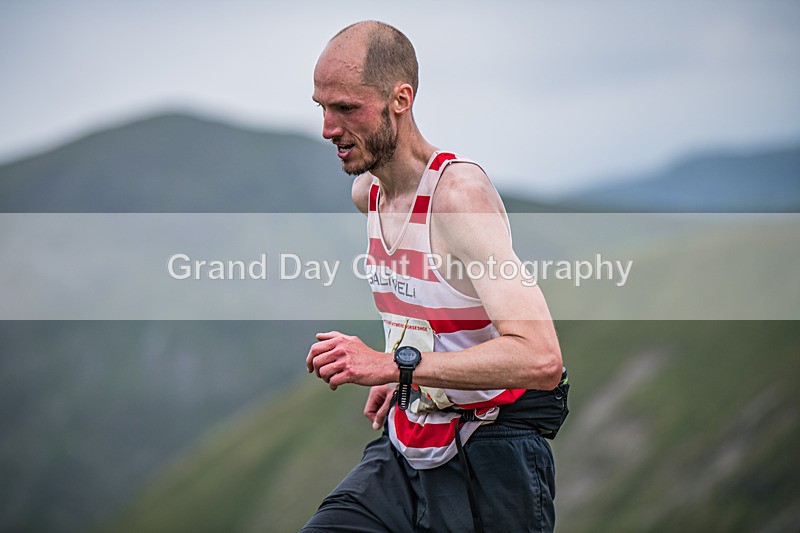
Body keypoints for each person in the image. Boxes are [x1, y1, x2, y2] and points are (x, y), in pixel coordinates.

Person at [304, 20, 566, 533]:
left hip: (492, 454)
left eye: (347, 109)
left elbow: (541, 358)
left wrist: (394, 366)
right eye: (323, 108)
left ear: (400, 99)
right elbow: (428, 309)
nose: (328, 129)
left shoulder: (458, 197)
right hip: (408, 441)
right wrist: (415, 378)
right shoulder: (369, 195)